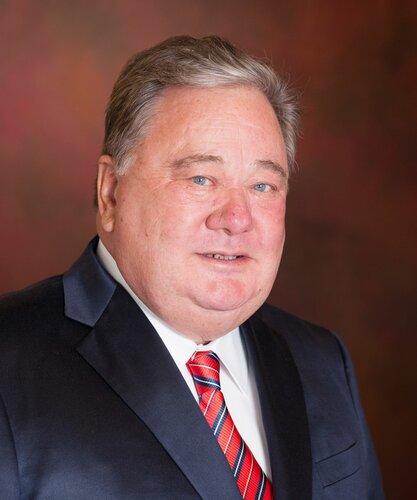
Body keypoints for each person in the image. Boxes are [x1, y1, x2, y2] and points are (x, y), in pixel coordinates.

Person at [0, 35, 384, 499]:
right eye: (201, 178)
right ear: (111, 193)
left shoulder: (323, 361)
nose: (237, 218)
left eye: (263, 186)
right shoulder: (10, 364)